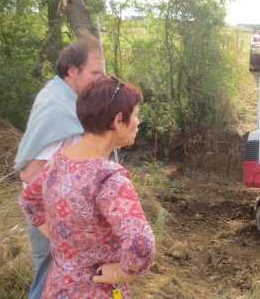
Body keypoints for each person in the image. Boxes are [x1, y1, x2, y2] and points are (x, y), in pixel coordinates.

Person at [19, 76, 155, 298]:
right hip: (95, 290)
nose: (138, 123)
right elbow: (141, 245)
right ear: (119, 120)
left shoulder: (58, 161)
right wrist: (121, 274)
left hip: (58, 286)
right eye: (136, 116)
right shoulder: (110, 180)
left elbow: (28, 201)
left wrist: (61, 241)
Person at [13, 32, 105, 299]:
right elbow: (31, 174)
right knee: (49, 282)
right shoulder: (58, 108)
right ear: (73, 70)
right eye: (95, 73)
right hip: (53, 219)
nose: (99, 80)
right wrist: (62, 224)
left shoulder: (64, 98)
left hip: (58, 217)